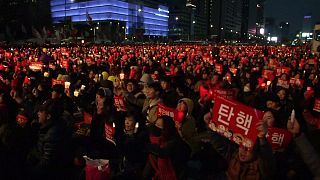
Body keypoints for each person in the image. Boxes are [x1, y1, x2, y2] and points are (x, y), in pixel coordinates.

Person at [201, 112, 275, 180]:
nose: (243, 151)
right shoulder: (234, 155)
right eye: (241, 146)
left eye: (247, 149)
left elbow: (267, 156)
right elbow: (219, 144)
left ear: (256, 150)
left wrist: (262, 138)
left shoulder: (261, 165)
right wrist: (210, 124)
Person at [28, 100, 72, 180]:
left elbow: (47, 162)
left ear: (48, 116)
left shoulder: (52, 135)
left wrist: (31, 174)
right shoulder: (56, 123)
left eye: (41, 111)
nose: (38, 113)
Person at [143, 116, 191, 180]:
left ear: (166, 129)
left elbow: (163, 152)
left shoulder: (174, 143)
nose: (156, 127)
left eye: (159, 125)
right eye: (155, 124)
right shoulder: (154, 140)